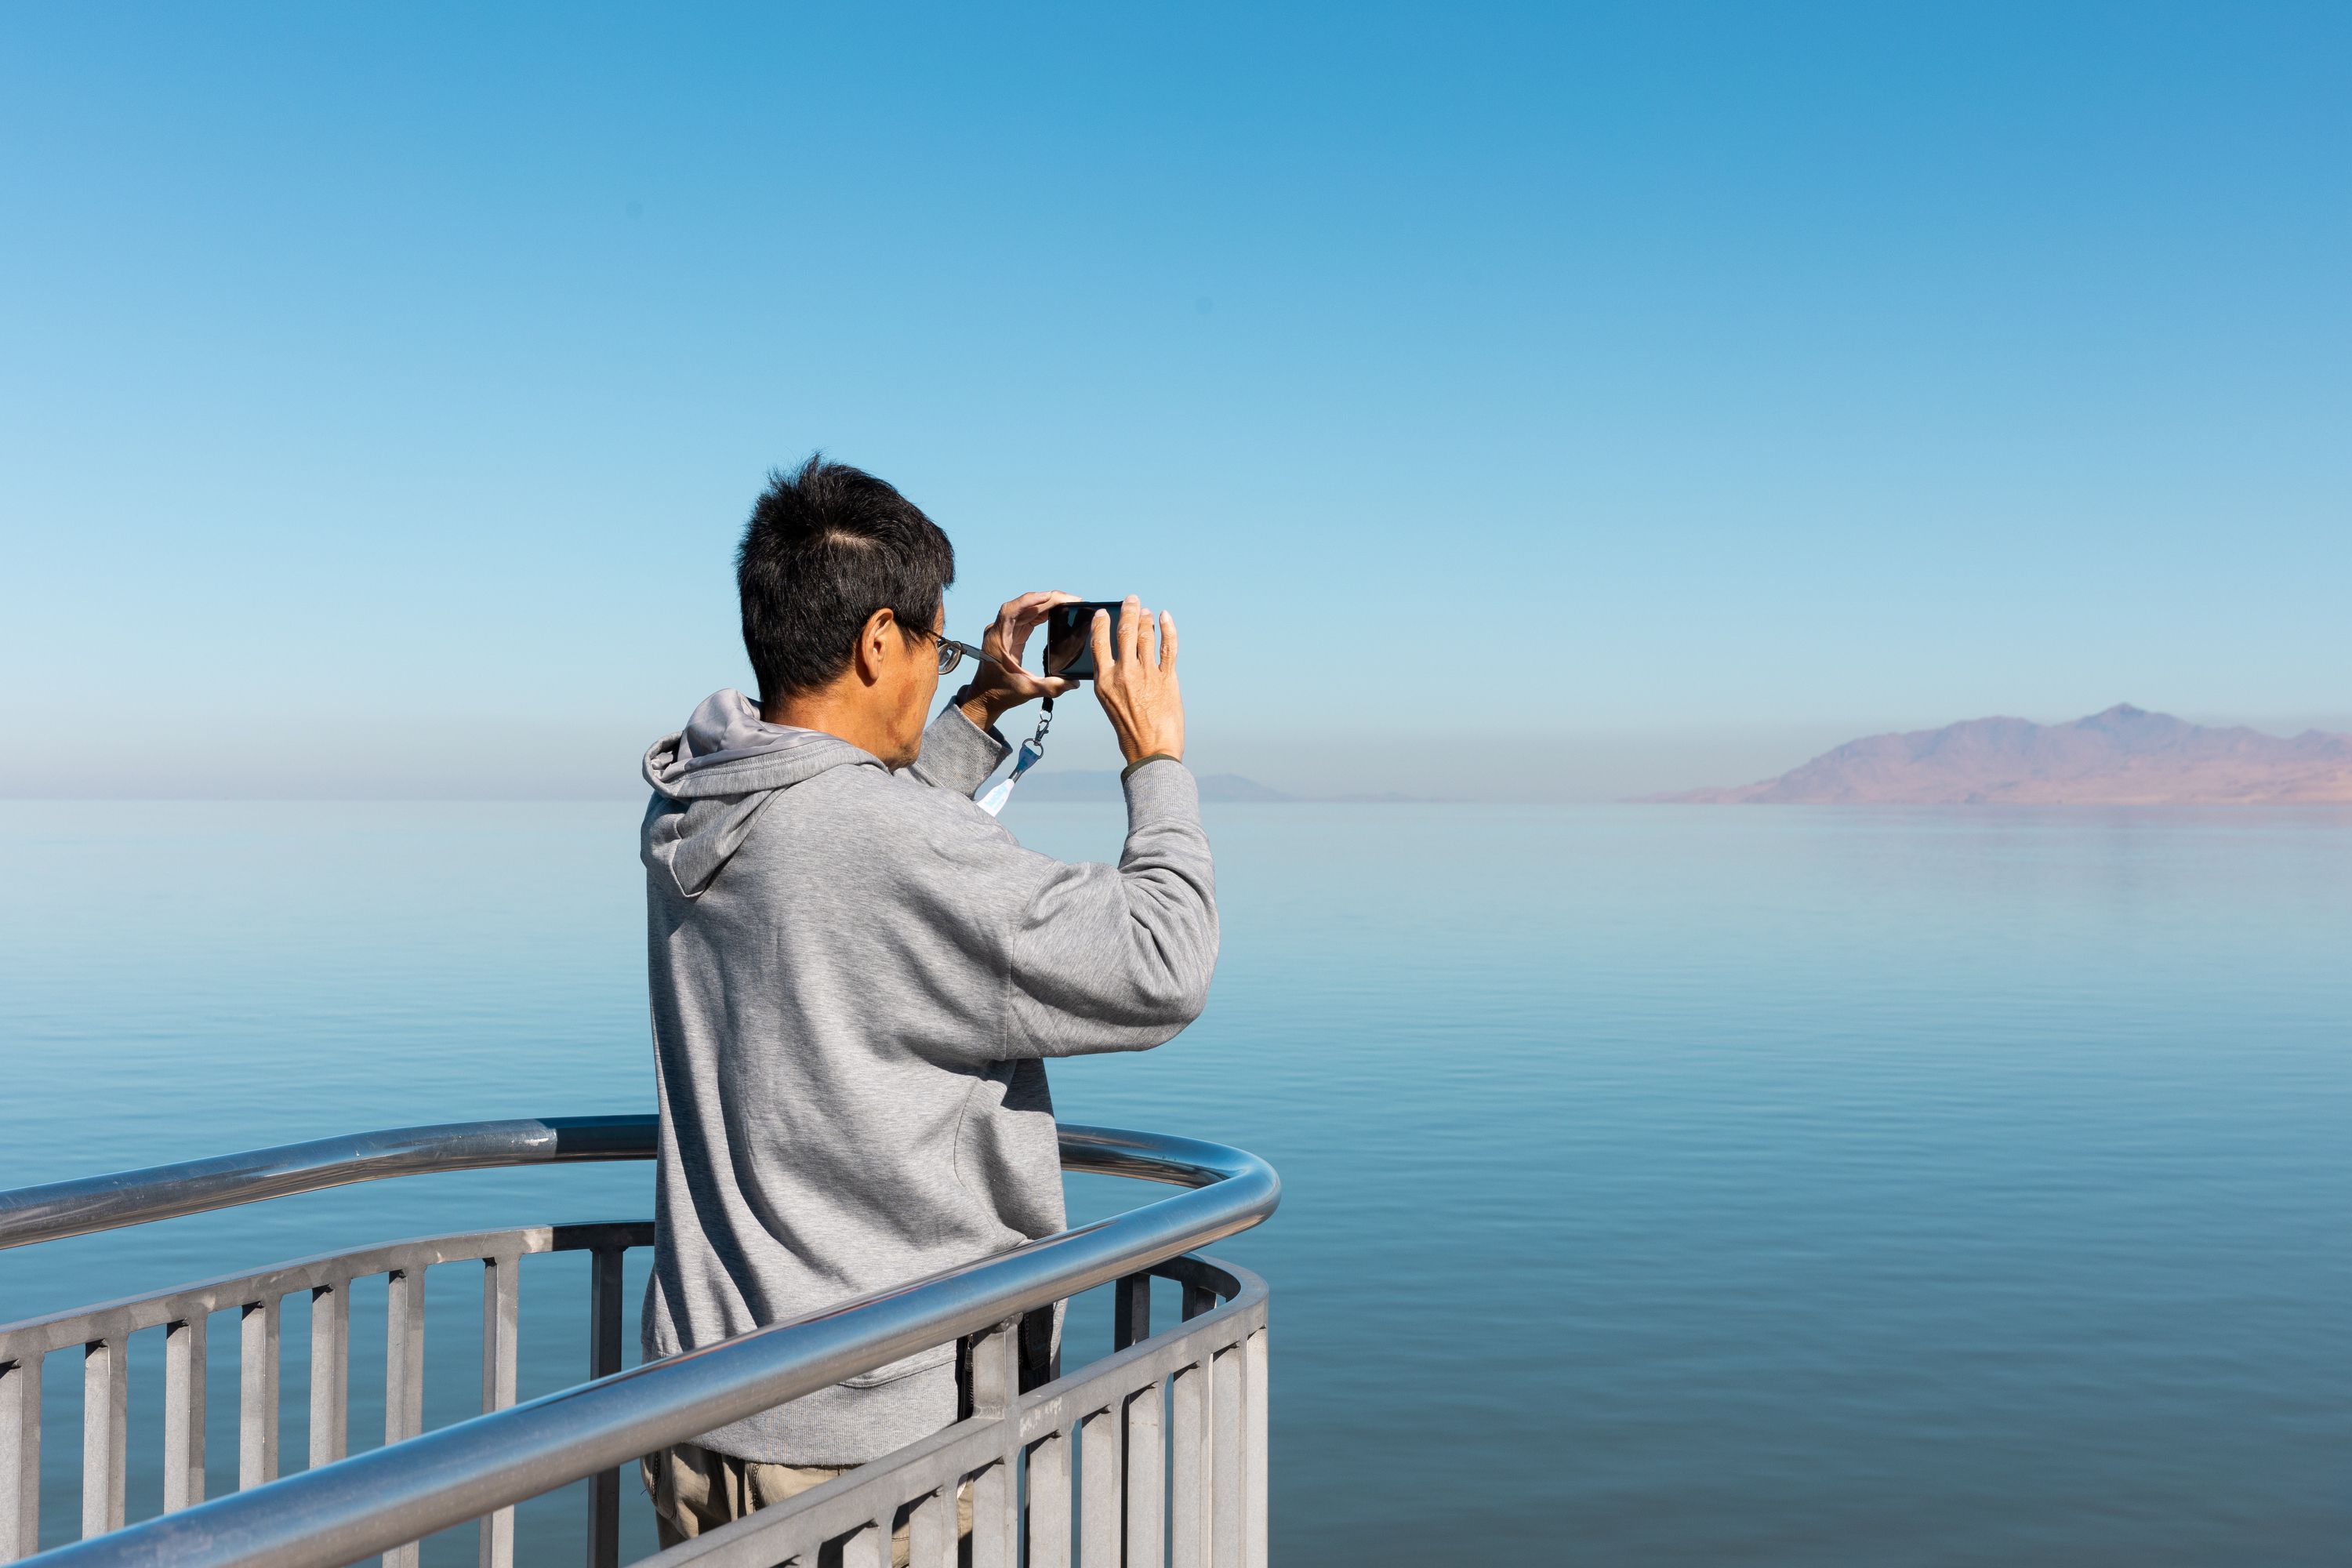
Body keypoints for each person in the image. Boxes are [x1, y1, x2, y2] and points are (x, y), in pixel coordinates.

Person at [634, 456, 1215, 1556]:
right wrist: (1158, 759)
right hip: (874, 1446)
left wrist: (980, 705)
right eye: (936, 648)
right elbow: (1163, 960)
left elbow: (843, 846)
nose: (939, 672)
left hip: (700, 1402)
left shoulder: (689, 799)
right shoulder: (904, 848)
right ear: (876, 642)